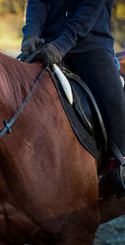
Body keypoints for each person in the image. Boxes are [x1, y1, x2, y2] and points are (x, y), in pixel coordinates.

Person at [21, 0, 125, 197]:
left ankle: (119, 163)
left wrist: (63, 44)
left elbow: (90, 8)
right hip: (46, 45)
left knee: (114, 97)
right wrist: (31, 34)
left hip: (89, 45)